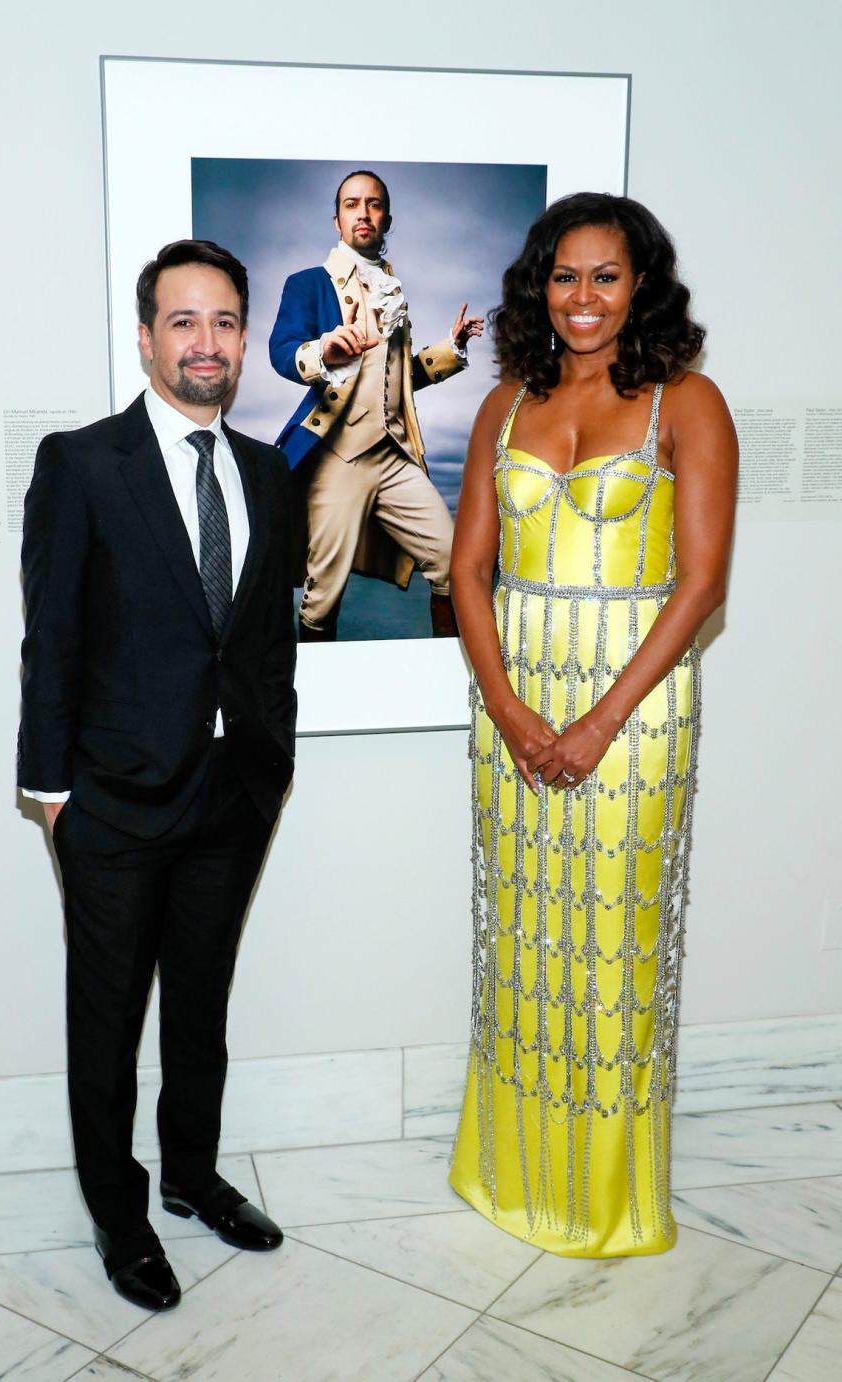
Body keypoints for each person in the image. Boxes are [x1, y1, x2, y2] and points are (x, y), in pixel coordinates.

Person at [448, 193, 737, 1257]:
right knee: (522, 943)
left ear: (641, 285)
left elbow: (701, 582)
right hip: (511, 713)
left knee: (614, 945)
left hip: (637, 717)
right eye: (565, 276)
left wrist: (599, 723)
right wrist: (514, 711)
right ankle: (510, 1168)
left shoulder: (688, 403)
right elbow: (466, 569)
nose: (583, 298)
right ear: (540, 285)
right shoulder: (505, 406)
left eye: (606, 276)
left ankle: (602, 1194)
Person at [18, 240, 297, 1310]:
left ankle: (191, 1174)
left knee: (203, 1001)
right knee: (108, 1016)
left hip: (235, 793)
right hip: (115, 800)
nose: (207, 342)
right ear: (146, 338)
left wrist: (272, 756)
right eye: (184, 321)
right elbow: (53, 634)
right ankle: (119, 1212)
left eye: (224, 321)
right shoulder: (84, 463)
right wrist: (48, 788)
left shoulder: (268, 471)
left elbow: (267, 636)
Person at [269, 169, 483, 640]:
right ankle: (318, 698)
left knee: (450, 560)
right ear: (337, 219)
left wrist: (451, 348)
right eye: (351, 204)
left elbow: (398, 381)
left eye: (373, 204)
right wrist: (323, 350)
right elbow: (281, 351)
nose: (362, 213)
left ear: (386, 218)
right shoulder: (308, 282)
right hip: (337, 456)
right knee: (322, 594)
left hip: (394, 454)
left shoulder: (393, 289)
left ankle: (443, 678)